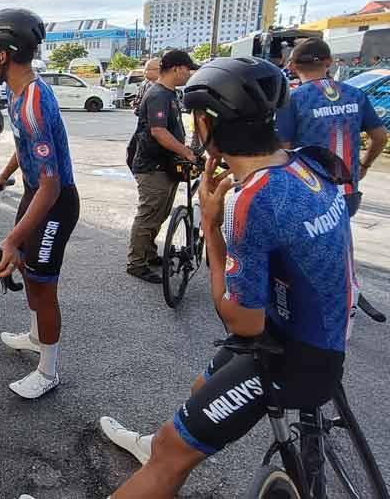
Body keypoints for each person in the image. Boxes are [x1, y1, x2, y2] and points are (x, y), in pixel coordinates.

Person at [99, 57, 353, 498]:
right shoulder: (304, 163)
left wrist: (212, 226)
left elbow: (241, 322)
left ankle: (165, 455)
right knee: (204, 386)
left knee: (169, 452)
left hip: (291, 353)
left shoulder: (251, 198)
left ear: (204, 123)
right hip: (319, 327)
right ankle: (172, 442)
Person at [0, 8, 79, 400]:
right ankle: (37, 336)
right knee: (22, 263)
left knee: (41, 288)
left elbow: (52, 187)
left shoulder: (35, 102)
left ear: (4, 55)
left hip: (54, 202)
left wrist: (12, 238)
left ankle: (49, 370)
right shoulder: (14, 89)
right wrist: (5, 174)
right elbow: (25, 148)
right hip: (33, 191)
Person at [278, 39, 387, 210]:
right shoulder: (356, 95)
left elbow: (283, 150)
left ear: (292, 66)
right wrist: (365, 165)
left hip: (308, 193)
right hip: (348, 192)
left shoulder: (292, 100)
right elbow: (380, 137)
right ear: (329, 62)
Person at [126, 49, 199, 283]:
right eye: (188, 69)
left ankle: (148, 253)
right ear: (177, 68)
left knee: (161, 212)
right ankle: (136, 263)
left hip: (164, 166)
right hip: (152, 166)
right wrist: (186, 152)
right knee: (148, 215)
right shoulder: (158, 94)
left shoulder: (170, 94)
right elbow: (158, 131)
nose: (190, 74)